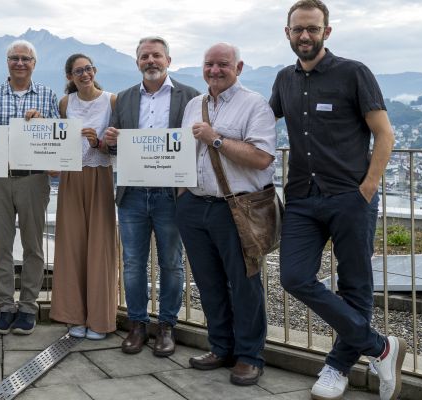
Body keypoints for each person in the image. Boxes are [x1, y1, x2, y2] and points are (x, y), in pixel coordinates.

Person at [271, 1, 403, 399]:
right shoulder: (283, 79)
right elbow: (258, 124)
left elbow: (384, 134)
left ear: (327, 31)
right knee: (293, 277)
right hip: (302, 199)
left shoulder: (354, 73)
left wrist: (367, 188)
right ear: (288, 33)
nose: (305, 36)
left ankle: (337, 367)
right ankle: (381, 347)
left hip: (350, 197)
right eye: (298, 30)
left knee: (356, 287)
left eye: (312, 28)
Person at [175, 43, 275, 385]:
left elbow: (262, 158)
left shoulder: (255, 105)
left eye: (222, 64)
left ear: (239, 67)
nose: (215, 70)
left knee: (245, 283)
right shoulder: (193, 105)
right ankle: (220, 346)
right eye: (209, 64)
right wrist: (181, 192)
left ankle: (249, 356)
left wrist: (217, 139)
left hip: (235, 207)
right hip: (194, 205)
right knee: (208, 282)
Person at [104, 36, 199, 356]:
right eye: (144, 56)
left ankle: (167, 326)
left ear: (168, 61)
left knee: (172, 264)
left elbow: (197, 145)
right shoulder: (126, 98)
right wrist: (111, 138)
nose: (151, 61)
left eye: (157, 56)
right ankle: (137, 325)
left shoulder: (190, 97)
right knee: (132, 264)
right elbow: (113, 145)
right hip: (132, 194)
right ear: (137, 63)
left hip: (172, 195)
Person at [0, 39, 60, 335]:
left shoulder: (49, 96)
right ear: (7, 63)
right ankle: (4, 307)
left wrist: (40, 125)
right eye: (15, 58)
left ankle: (27, 307)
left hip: (34, 179)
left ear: (34, 64)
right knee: (0, 246)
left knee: (33, 246)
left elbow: (56, 138)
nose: (20, 63)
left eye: (26, 58)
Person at [49, 54, 117, 341]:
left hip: (100, 174)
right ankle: (74, 315)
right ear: (69, 77)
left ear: (95, 70)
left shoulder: (112, 101)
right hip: (71, 176)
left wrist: (98, 142)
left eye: (88, 68)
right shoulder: (65, 104)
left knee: (100, 246)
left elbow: (117, 143)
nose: (84, 74)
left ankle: (100, 319)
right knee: (71, 244)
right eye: (78, 71)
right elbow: (57, 138)